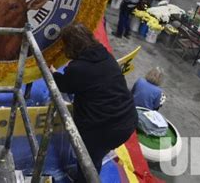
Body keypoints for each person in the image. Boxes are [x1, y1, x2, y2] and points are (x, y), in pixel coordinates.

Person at [50, 23, 137, 182]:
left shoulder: (78, 68)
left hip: (103, 129)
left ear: (70, 46)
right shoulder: (106, 55)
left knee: (89, 161)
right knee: (95, 155)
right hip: (127, 120)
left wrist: (53, 73)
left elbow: (64, 85)